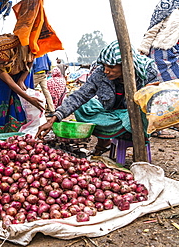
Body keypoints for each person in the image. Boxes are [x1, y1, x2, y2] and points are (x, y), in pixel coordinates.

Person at [36, 40, 160, 156]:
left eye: (111, 67)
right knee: (83, 107)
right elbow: (80, 95)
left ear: (125, 65)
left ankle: (115, 137)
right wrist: (53, 119)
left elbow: (157, 101)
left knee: (137, 114)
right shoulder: (100, 73)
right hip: (112, 114)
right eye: (105, 66)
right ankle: (105, 139)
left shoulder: (147, 71)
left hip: (132, 115)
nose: (106, 71)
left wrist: (148, 91)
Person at [0, 33, 44, 133]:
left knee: (21, 108)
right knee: (3, 110)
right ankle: (3, 138)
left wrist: (22, 79)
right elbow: (9, 82)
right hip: (3, 83)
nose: (1, 65)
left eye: (3, 63)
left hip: (22, 74)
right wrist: (29, 99)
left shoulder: (24, 48)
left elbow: (31, 59)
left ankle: (22, 137)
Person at [137, 0, 178, 139]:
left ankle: (172, 122)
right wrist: (143, 49)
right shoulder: (167, 4)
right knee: (161, 90)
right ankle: (156, 127)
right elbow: (153, 28)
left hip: (177, 54)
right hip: (162, 53)